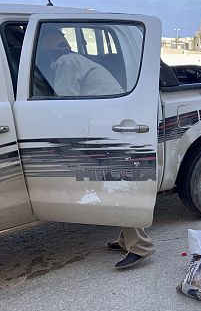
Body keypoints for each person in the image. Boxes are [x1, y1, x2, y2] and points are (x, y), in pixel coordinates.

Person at [38, 26, 155, 269]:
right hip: (107, 124)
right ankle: (127, 240)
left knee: (116, 187)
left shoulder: (66, 62)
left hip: (104, 130)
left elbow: (64, 101)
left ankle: (141, 246)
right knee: (111, 186)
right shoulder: (74, 60)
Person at [37, 25, 123, 96]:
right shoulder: (74, 59)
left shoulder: (67, 61)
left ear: (48, 52)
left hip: (105, 107)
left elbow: (64, 98)